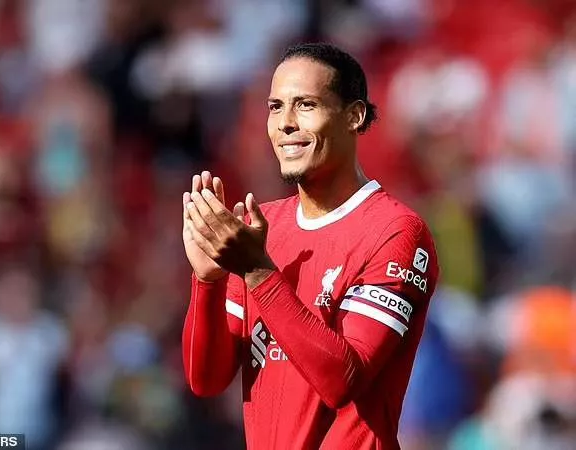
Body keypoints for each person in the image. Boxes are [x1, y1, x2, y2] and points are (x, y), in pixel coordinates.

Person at [181, 42, 440, 450]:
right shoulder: (264, 228)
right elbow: (207, 380)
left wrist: (259, 273)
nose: (284, 123)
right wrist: (207, 280)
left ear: (354, 116)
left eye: (305, 105)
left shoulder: (396, 232)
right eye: (274, 106)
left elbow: (342, 381)